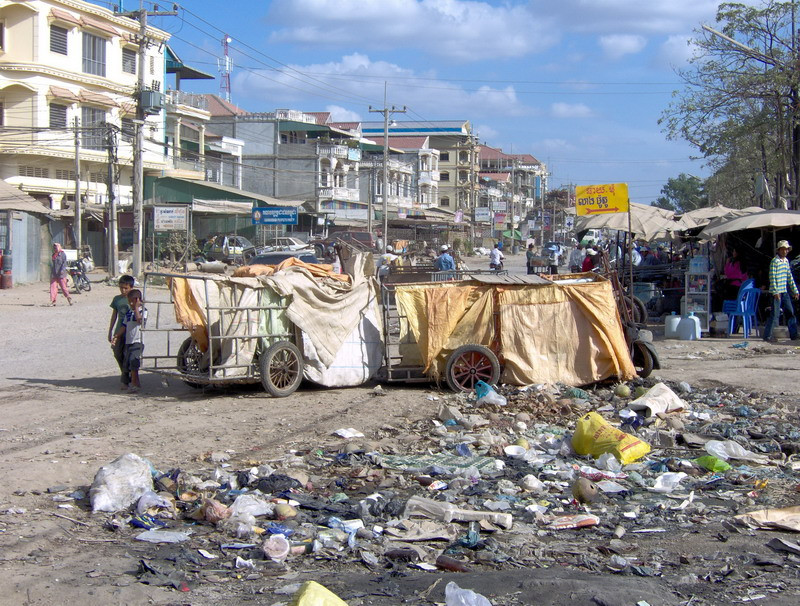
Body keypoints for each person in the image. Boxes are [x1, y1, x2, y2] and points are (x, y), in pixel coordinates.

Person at [111, 288, 147, 393]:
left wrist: (136, 308)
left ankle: (136, 384)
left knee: (133, 361)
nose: (130, 304)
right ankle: (126, 382)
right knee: (127, 363)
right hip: (128, 342)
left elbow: (140, 320)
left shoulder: (143, 311)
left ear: (137, 300)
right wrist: (116, 336)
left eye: (132, 301)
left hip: (138, 341)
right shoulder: (129, 312)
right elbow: (124, 325)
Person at [763, 240, 798, 342]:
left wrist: (795, 291)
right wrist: (775, 292)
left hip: (784, 292)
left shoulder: (786, 261)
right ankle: (767, 336)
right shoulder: (775, 261)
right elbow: (772, 278)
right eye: (783, 249)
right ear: (779, 250)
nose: (785, 251)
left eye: (786, 249)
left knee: (790, 312)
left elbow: (789, 277)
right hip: (777, 292)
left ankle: (794, 335)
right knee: (775, 314)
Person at [108, 275, 135, 376]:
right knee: (117, 352)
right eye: (121, 288)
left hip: (130, 331)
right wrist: (110, 331)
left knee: (128, 354)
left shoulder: (135, 299)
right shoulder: (117, 299)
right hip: (119, 330)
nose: (123, 290)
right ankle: (124, 372)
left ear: (131, 288)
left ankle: (128, 376)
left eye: (126, 288)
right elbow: (114, 316)